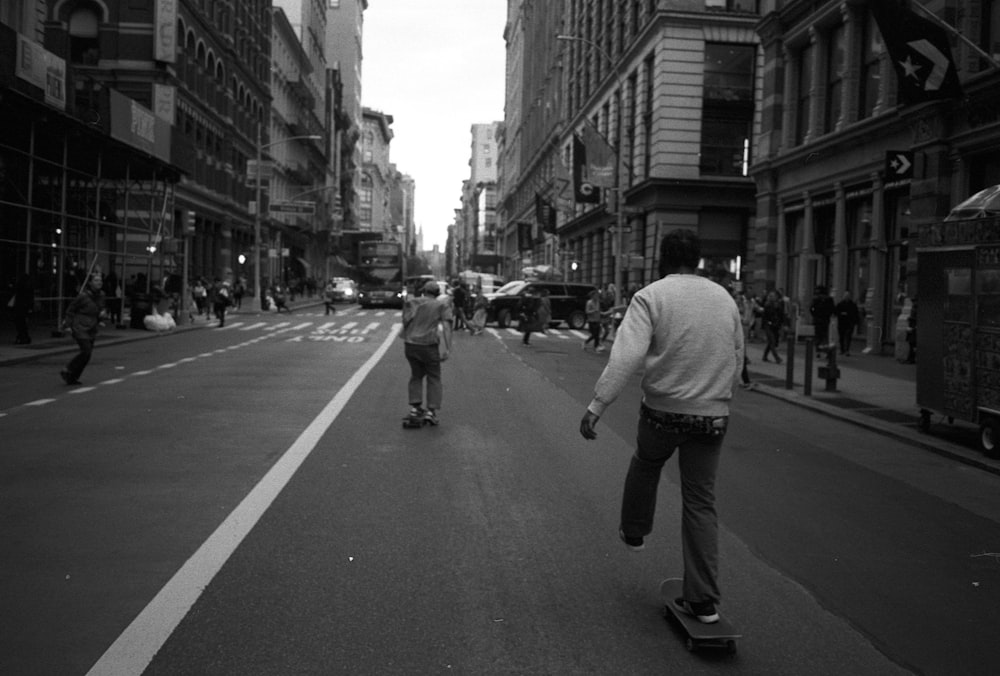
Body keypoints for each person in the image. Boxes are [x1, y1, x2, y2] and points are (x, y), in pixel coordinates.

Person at [579, 229, 743, 625]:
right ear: (699, 260)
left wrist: (597, 405)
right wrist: (720, 397)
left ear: (662, 260)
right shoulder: (725, 299)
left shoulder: (651, 296)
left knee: (647, 463)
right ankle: (703, 602)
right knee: (701, 502)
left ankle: (634, 530)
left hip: (663, 413)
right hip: (712, 417)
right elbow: (736, 355)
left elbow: (625, 356)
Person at [402, 280, 453, 425]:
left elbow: (405, 322)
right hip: (429, 345)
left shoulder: (412, 303)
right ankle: (431, 411)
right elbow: (447, 327)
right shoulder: (442, 305)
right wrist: (447, 348)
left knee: (416, 375)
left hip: (410, 344)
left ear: (423, 291)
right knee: (434, 376)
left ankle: (415, 408)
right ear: (437, 293)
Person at [61, 272, 107, 385]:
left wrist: (102, 316)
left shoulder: (102, 295)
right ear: (90, 283)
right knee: (86, 351)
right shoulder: (83, 296)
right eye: (96, 280)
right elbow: (71, 309)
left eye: (100, 280)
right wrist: (67, 324)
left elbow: (101, 308)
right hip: (80, 326)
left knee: (88, 354)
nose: (99, 282)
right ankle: (68, 369)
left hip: (92, 327)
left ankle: (72, 377)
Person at [761, 290, 786, 364]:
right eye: (770, 296)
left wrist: (782, 324)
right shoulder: (767, 305)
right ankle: (777, 358)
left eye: (773, 296)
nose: (772, 297)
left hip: (775, 325)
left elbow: (781, 315)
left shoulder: (779, 305)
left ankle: (765, 356)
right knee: (772, 341)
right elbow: (765, 317)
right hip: (768, 325)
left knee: (771, 342)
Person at [834, 291, 860, 356]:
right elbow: (836, 312)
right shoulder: (840, 304)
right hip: (842, 323)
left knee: (848, 336)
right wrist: (841, 314)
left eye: (848, 296)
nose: (847, 298)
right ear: (843, 297)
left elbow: (856, 314)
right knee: (841, 337)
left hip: (849, 323)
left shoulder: (853, 305)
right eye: (846, 296)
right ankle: (842, 349)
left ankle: (847, 350)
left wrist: (856, 321)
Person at [810, 285, 835, 350]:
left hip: (819, 319)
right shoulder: (829, 299)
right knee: (824, 333)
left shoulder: (816, 299)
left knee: (818, 334)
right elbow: (832, 309)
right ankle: (823, 345)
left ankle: (819, 346)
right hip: (824, 319)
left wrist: (815, 315)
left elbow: (811, 308)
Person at [12, 273, 34, 345]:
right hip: (24, 307)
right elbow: (30, 298)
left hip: (20, 307)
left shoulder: (20, 287)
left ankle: (22, 337)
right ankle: (24, 337)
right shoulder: (29, 287)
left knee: (20, 323)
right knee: (22, 323)